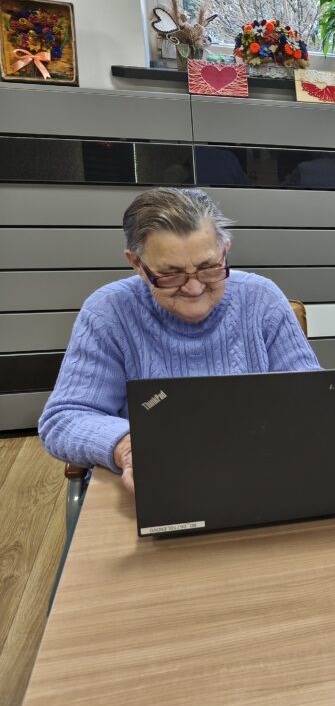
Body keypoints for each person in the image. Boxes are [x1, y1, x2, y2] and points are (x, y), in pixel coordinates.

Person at [38, 187, 320, 494]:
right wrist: (128, 446)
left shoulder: (262, 298)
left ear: (225, 250)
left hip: (258, 474)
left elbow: (311, 399)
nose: (194, 288)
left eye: (208, 268)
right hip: (158, 481)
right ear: (137, 264)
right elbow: (64, 418)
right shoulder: (109, 311)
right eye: (170, 274)